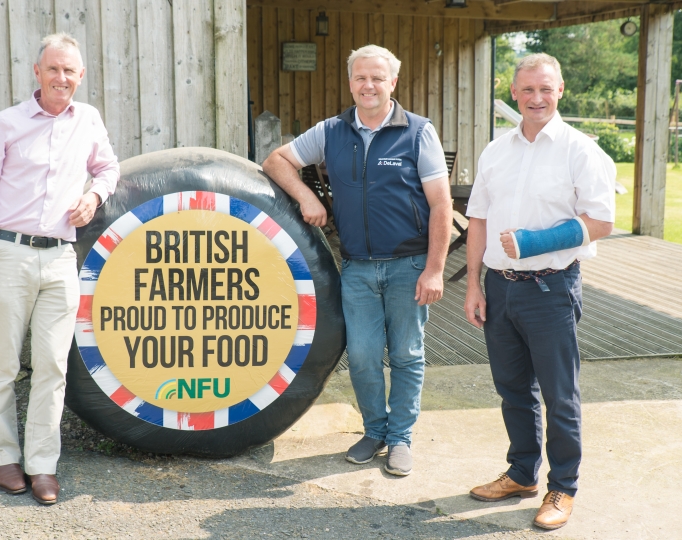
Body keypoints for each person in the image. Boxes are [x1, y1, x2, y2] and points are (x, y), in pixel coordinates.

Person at [263, 44, 452, 476]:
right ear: (351, 83)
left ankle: (401, 438)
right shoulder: (330, 131)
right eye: (360, 78)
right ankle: (375, 431)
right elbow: (276, 161)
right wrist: (308, 196)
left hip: (408, 265)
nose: (369, 85)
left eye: (377, 78)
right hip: (358, 268)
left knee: (405, 353)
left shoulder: (419, 132)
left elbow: (441, 206)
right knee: (364, 355)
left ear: (393, 83)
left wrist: (435, 269)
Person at [0, 33, 119, 505]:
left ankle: (42, 465)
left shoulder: (88, 120)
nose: (61, 78)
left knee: (53, 365)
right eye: (53, 69)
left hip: (59, 258)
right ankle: (3, 457)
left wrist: (93, 196)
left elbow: (109, 168)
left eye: (69, 71)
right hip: (7, 253)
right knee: (2, 363)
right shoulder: (7, 123)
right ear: (37, 72)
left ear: (81, 76)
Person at [464, 53, 615, 530]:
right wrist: (472, 284)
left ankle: (562, 487)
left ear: (561, 90)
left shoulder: (580, 150)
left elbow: (601, 222)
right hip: (499, 287)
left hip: (551, 288)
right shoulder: (496, 150)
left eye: (545, 89)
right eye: (527, 90)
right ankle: (522, 473)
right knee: (512, 389)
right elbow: (479, 221)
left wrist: (535, 243)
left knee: (559, 394)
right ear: (514, 93)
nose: (537, 98)